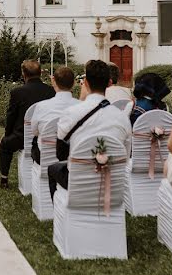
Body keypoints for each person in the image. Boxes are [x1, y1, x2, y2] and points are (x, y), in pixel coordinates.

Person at [48, 60, 131, 199]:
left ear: (85, 83)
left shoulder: (71, 113)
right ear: (109, 83)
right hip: (113, 181)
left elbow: (60, 152)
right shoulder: (122, 118)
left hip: (78, 180)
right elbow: (126, 154)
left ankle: (59, 213)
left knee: (52, 169)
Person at [0, 60, 55, 189]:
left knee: (5, 144)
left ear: (24, 74)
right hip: (46, 137)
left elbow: (11, 117)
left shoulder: (17, 92)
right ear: (40, 72)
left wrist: (7, 135)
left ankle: (4, 178)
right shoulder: (51, 91)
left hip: (21, 138)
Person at [29, 66, 79, 165]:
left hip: (44, 160)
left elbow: (34, 131)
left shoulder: (41, 107)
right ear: (74, 83)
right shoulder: (82, 107)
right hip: (72, 159)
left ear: (53, 82)